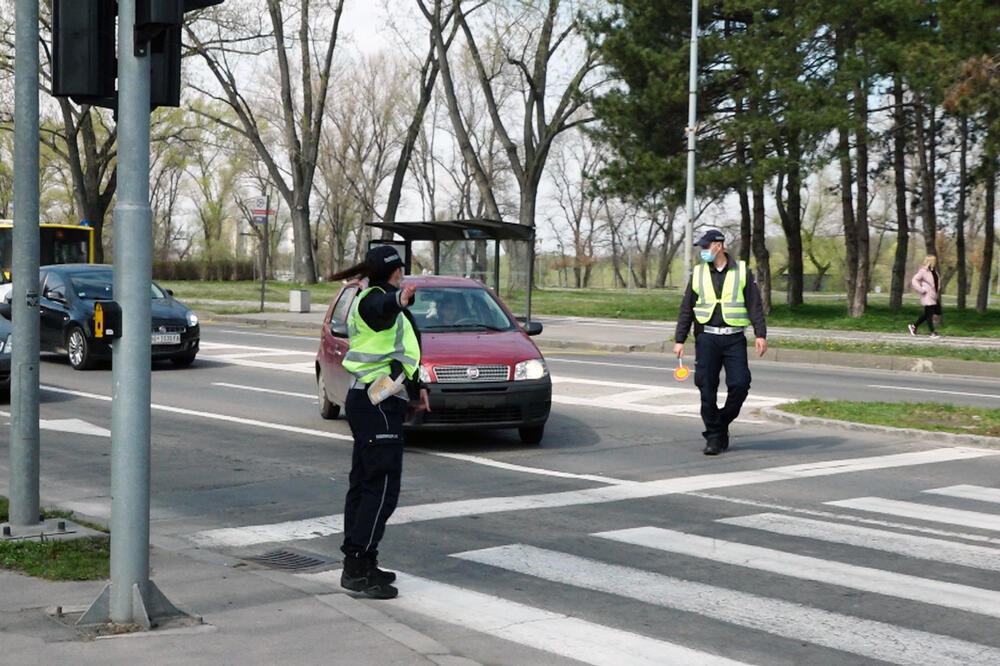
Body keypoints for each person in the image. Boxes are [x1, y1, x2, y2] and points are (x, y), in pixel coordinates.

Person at [328, 245, 430, 599]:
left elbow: (401, 352)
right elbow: (382, 309)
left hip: (377, 400)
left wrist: (417, 390)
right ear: (394, 271)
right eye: (400, 269)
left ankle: (363, 561)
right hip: (374, 404)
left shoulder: (368, 294)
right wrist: (399, 300)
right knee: (379, 490)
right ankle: (356, 568)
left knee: (366, 485)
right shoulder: (374, 299)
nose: (403, 273)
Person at [673, 230, 767, 456]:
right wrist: (680, 339)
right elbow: (687, 308)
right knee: (706, 387)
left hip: (734, 338)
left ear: (718, 246)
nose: (703, 251)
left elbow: (754, 304)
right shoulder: (698, 273)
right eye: (702, 248)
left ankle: (720, 422)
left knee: (741, 384)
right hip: (706, 337)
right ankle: (714, 438)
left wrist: (760, 333)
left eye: (706, 247)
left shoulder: (742, 271)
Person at [909, 254, 941, 339]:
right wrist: (921, 289)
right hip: (927, 295)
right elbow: (914, 280)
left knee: (927, 314)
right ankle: (932, 332)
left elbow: (937, 282)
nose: (935, 262)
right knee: (929, 314)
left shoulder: (934, 271)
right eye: (934, 261)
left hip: (933, 295)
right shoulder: (923, 271)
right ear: (930, 261)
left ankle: (914, 326)